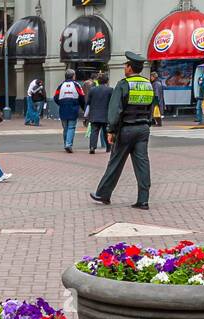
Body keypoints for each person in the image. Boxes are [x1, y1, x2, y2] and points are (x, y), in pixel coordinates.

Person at [90, 52, 156, 210]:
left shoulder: (123, 84)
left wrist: (111, 130)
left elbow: (115, 110)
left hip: (126, 128)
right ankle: (143, 199)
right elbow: (152, 107)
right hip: (143, 129)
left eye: (125, 66)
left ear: (129, 67)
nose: (124, 68)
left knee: (116, 162)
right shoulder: (148, 84)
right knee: (142, 164)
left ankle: (103, 194)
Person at [53, 71, 84, 153]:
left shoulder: (60, 85)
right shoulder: (77, 85)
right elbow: (81, 96)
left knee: (65, 128)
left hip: (63, 108)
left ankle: (66, 144)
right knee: (71, 127)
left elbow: (55, 97)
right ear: (73, 76)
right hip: (73, 108)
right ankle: (68, 145)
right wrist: (83, 107)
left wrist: (61, 103)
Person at [85, 73, 112, 154]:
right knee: (106, 132)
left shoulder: (92, 90)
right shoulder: (110, 90)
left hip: (94, 114)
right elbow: (112, 102)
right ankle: (108, 147)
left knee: (94, 131)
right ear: (107, 81)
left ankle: (92, 147)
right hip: (106, 115)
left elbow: (88, 102)